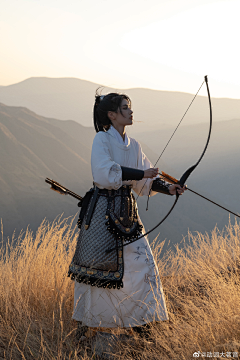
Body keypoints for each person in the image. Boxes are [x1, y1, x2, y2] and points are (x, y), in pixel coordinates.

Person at [68, 92, 186, 341]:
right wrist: (142, 173)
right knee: (97, 269)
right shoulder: (101, 140)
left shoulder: (134, 146)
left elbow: (147, 180)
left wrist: (169, 187)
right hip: (102, 212)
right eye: (125, 108)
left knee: (141, 267)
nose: (131, 112)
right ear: (112, 115)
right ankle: (88, 327)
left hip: (127, 213)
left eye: (129, 108)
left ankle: (143, 325)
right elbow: (104, 173)